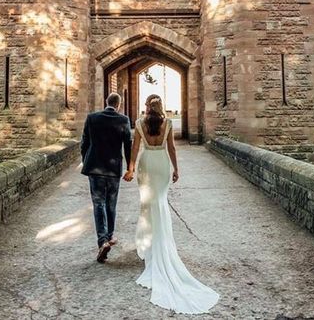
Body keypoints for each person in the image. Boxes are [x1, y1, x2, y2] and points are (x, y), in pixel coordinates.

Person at [123, 94, 219, 314]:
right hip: (161, 163)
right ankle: (159, 243)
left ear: (148, 107)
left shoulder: (139, 123)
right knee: (160, 203)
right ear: (161, 107)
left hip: (147, 163)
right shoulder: (167, 123)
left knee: (147, 204)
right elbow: (172, 149)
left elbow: (135, 149)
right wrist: (176, 169)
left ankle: (149, 246)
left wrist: (130, 168)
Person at [81, 93, 132, 263]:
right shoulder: (124, 120)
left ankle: (102, 240)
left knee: (98, 204)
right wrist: (129, 168)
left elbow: (84, 143)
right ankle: (109, 236)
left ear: (106, 103)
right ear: (119, 104)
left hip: (95, 168)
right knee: (111, 204)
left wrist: (86, 161)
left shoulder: (92, 118)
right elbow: (128, 146)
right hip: (113, 169)